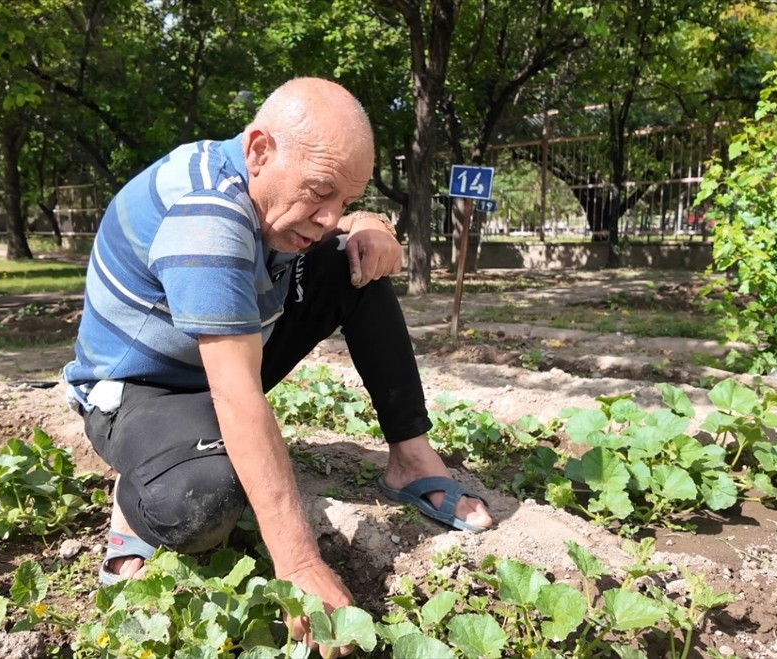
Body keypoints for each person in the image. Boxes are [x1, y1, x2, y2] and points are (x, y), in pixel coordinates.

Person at [63, 77, 492, 654]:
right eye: (320, 193)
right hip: (144, 387)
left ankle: (411, 462)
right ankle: (135, 498)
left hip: (225, 354)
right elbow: (238, 394)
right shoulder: (206, 213)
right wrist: (298, 561)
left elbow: (331, 217)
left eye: (342, 198)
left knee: (355, 267)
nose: (325, 216)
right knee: (199, 501)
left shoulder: (266, 188)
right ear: (259, 149)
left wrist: (366, 225)